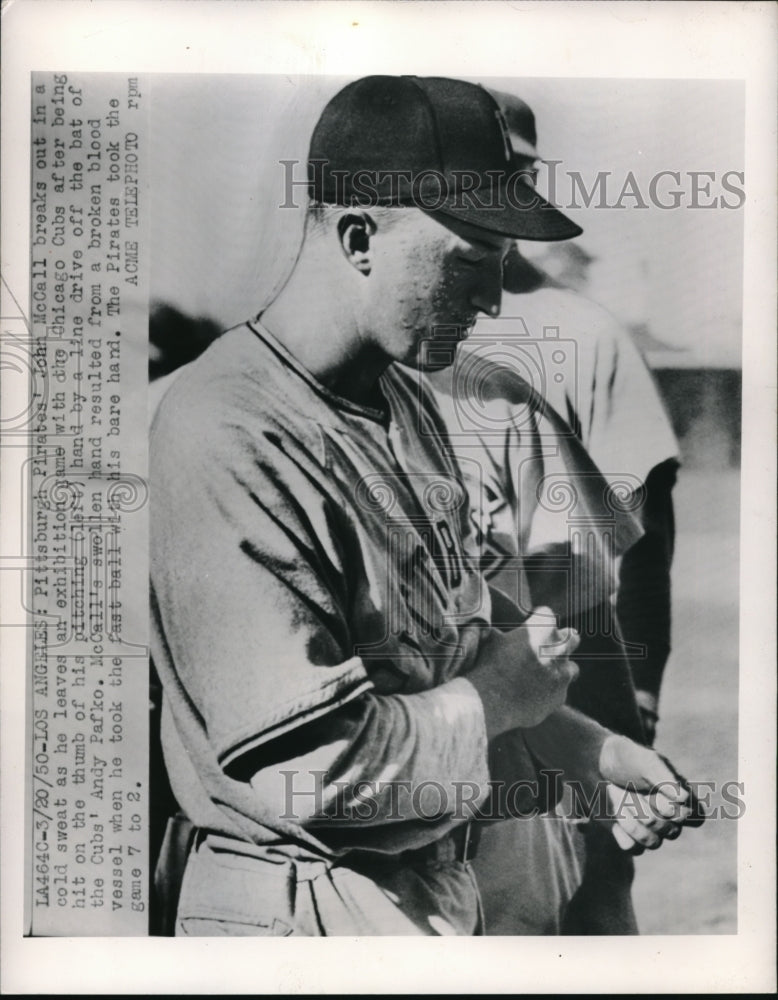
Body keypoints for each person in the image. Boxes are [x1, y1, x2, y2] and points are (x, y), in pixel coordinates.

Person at [150, 75, 700, 937]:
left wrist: (590, 751)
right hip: (301, 920)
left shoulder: (405, 404)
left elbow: (456, 648)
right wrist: (501, 699)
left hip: (431, 900)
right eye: (471, 256)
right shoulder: (226, 426)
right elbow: (310, 774)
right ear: (360, 235)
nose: (490, 299)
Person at [427, 89, 681, 934]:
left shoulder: (580, 329)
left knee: (584, 910)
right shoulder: (383, 331)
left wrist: (633, 697)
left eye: (513, 171)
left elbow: (637, 534)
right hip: (433, 693)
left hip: (558, 672)